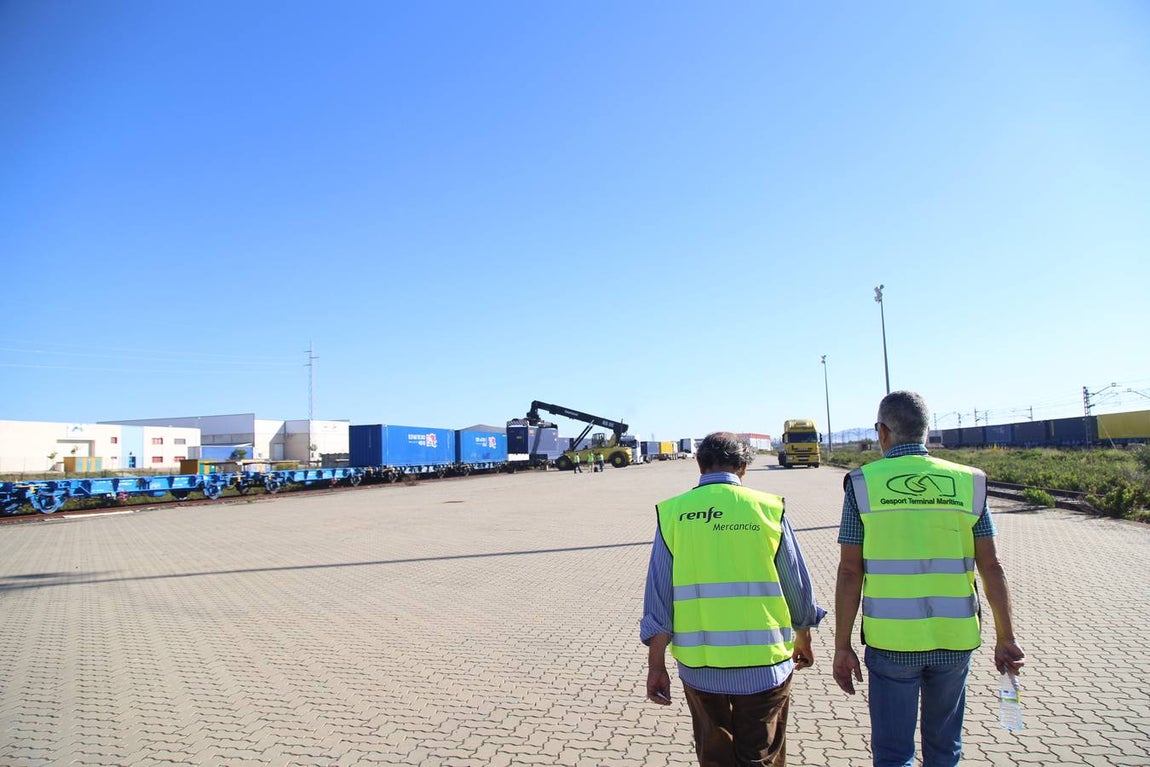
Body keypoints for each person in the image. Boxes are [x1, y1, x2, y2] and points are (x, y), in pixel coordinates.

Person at [833, 391, 1026, 767]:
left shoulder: (862, 483)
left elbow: (849, 571)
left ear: (882, 432)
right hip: (955, 639)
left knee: (894, 754)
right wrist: (1006, 637)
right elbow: (991, 566)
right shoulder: (969, 481)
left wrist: (842, 645)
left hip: (892, 642)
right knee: (944, 747)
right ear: (926, 430)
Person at [641, 431, 826, 767]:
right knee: (760, 757)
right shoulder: (769, 509)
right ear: (743, 468)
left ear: (700, 465)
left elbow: (659, 597)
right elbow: (796, 585)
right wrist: (804, 636)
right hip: (765, 665)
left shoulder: (673, 514)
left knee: (716, 758)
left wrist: (656, 665)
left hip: (701, 669)